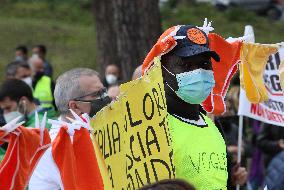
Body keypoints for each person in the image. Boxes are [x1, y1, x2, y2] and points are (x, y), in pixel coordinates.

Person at [142, 25, 246, 189]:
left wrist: (233, 181)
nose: (198, 72)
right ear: (161, 71)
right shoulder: (149, 127)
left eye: (204, 64)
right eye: (186, 65)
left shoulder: (212, 125)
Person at [29, 68, 111, 189]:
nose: (105, 97)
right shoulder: (60, 144)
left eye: (104, 91)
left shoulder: (90, 130)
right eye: (97, 94)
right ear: (75, 106)